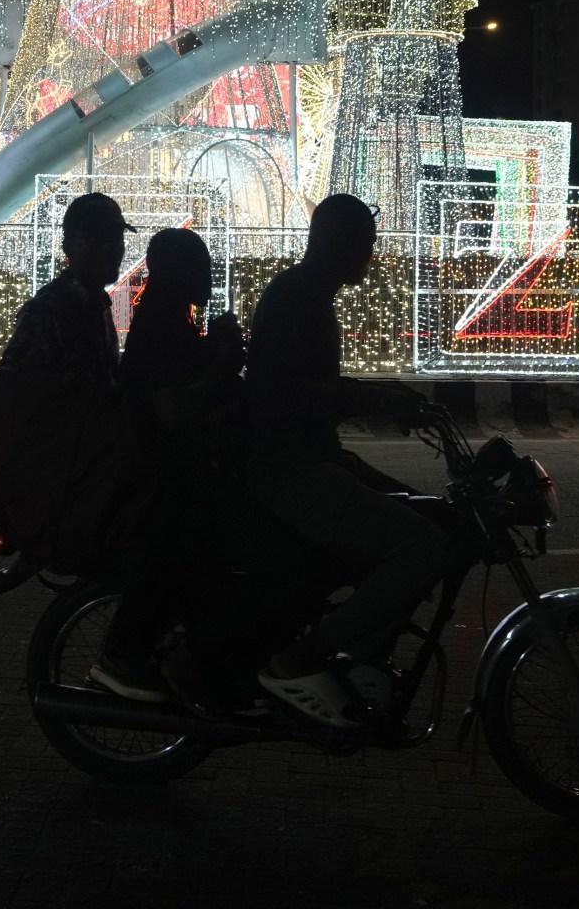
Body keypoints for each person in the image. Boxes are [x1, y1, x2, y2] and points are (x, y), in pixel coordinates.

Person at [238, 193, 456, 727]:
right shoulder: (299, 299)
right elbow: (290, 396)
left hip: (315, 458)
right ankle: (305, 659)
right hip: (290, 469)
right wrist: (375, 398)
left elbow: (320, 389)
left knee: (433, 517)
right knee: (420, 546)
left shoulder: (309, 294)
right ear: (338, 243)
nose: (372, 254)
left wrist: (386, 396)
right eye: (366, 243)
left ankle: (363, 653)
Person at [115, 227, 330, 713]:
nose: (209, 278)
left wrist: (216, 347)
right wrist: (223, 361)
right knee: (279, 563)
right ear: (176, 274)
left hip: (197, 472)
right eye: (200, 268)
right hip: (182, 481)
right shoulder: (158, 325)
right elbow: (174, 411)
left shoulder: (175, 319)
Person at [0, 191, 156, 608]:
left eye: (117, 238)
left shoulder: (92, 303)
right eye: (102, 239)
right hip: (61, 466)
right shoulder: (54, 309)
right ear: (72, 245)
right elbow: (28, 401)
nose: (114, 249)